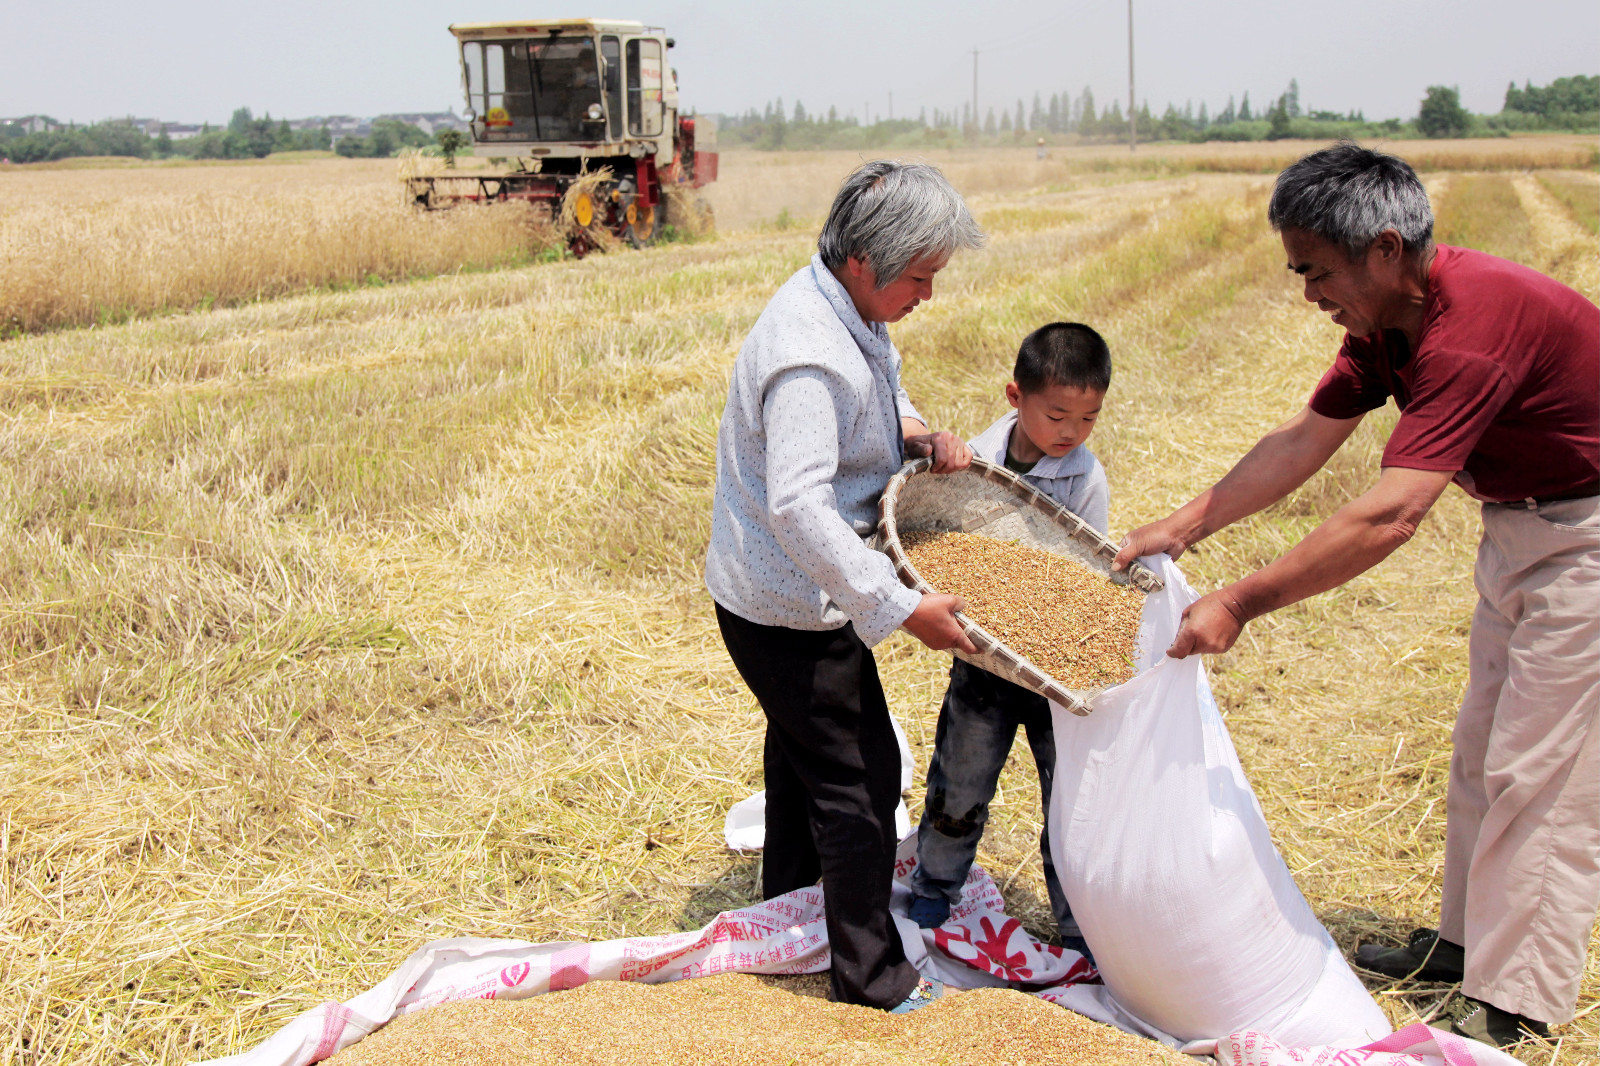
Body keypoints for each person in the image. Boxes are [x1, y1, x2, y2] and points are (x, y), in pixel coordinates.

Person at [1112, 142, 1598, 1048]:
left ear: (1384, 249)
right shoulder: (1387, 324)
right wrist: (1181, 527)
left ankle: (1517, 1002)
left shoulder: (1472, 326)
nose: (1307, 293)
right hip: (1524, 527)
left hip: (1588, 537)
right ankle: (1466, 946)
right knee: (1483, 745)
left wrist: (1240, 602)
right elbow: (1304, 439)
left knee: (1542, 770)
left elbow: (1391, 514)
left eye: (1315, 270)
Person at [704, 160, 986, 1013]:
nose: (928, 295)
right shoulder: (808, 355)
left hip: (785, 593)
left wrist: (916, 434)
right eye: (920, 277)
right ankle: (873, 976)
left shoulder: (848, 308)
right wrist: (902, 607)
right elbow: (797, 504)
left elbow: (881, 391)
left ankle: (789, 916)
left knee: (804, 759)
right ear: (864, 260)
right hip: (788, 604)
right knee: (860, 782)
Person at [906, 322, 1111, 963]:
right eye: (1057, 415)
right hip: (984, 662)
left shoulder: (1085, 479)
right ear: (1015, 397)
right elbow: (947, 539)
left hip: (1051, 671)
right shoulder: (976, 460)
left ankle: (1078, 926)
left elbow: (1083, 576)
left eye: (1088, 418)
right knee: (960, 779)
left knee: (1068, 800)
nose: (1071, 432)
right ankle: (934, 889)